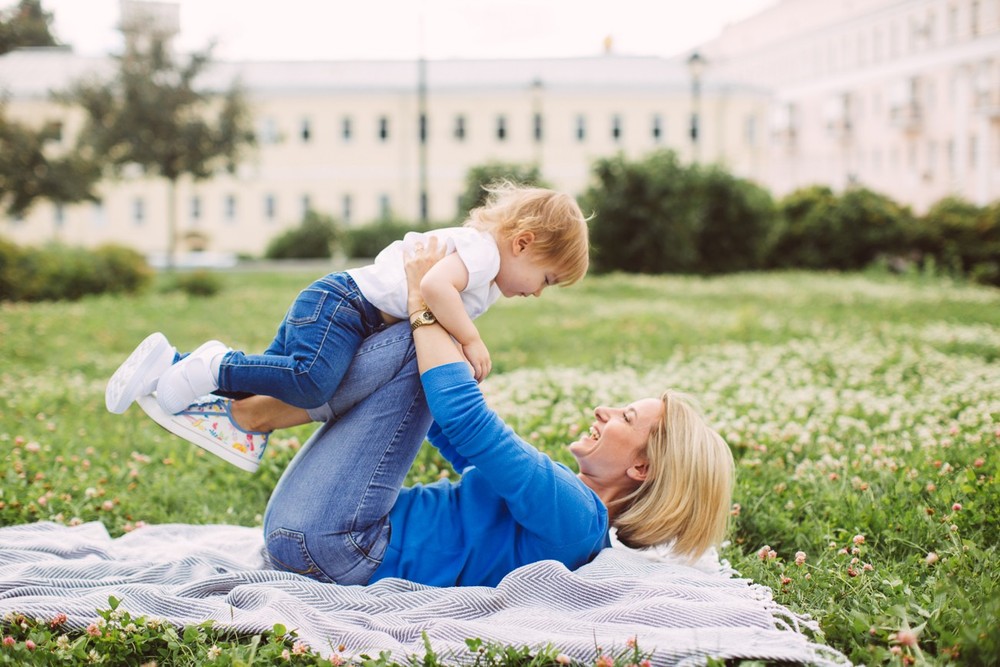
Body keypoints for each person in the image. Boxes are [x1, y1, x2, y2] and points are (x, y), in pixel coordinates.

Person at [131, 237, 736, 588]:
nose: (605, 411)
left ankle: (243, 412)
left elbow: (465, 420)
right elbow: (447, 425)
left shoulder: (576, 515)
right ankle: (246, 415)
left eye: (626, 420)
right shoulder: (564, 506)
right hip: (324, 537)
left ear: (640, 470)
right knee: (418, 355)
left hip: (334, 542)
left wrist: (426, 299)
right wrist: (438, 322)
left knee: (410, 342)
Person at [105, 182, 590, 472]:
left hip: (344, 312)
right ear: (522, 243)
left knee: (282, 384)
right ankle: (213, 364)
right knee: (312, 381)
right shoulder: (483, 253)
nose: (539, 291)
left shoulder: (486, 265)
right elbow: (436, 288)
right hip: (342, 305)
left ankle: (167, 368)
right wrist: (471, 338)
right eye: (546, 278)